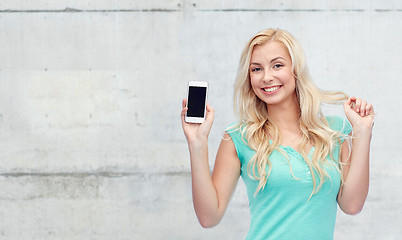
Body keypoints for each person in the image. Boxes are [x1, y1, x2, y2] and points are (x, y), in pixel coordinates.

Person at [180, 28, 374, 240]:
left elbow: (352, 205)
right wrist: (197, 144)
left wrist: (362, 132)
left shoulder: (333, 132)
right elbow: (209, 218)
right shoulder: (239, 138)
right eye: (256, 69)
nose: (266, 77)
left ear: (296, 69)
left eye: (277, 65)